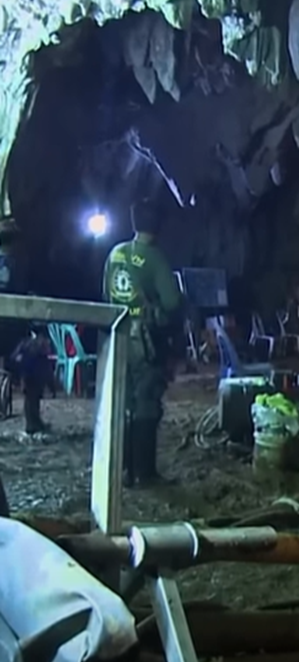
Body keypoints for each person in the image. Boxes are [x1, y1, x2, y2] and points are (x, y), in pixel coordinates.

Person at [102, 201, 183, 486]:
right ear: (157, 225)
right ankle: (144, 473)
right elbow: (172, 302)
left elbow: (105, 294)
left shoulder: (115, 253)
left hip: (118, 337)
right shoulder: (155, 258)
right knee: (146, 404)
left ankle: (123, 470)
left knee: (124, 404)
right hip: (145, 342)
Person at [8, 326, 52, 441]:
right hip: (32, 374)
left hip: (30, 374)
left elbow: (15, 357)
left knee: (31, 399)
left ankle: (34, 422)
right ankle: (32, 423)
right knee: (31, 400)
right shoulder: (34, 344)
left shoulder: (26, 343)